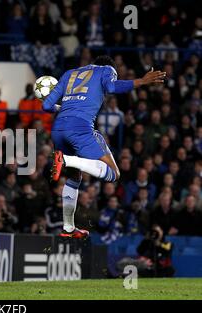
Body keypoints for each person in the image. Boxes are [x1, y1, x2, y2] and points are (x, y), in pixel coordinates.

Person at [43, 55, 166, 239]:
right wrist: (141, 81)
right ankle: (67, 160)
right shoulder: (106, 70)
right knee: (114, 173)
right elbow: (111, 87)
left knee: (74, 176)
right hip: (80, 128)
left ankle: (68, 228)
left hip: (58, 129)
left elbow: (47, 105)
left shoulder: (69, 73)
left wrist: (65, 107)